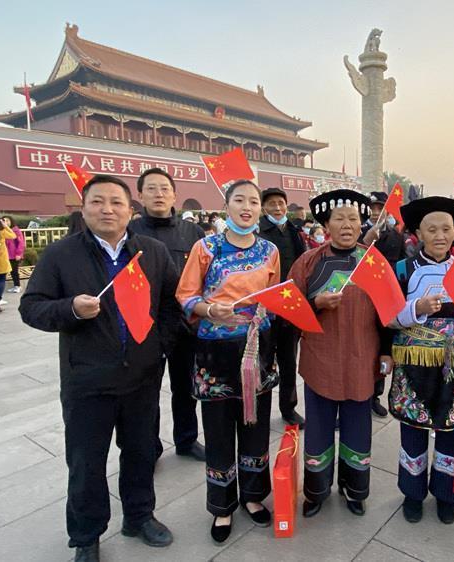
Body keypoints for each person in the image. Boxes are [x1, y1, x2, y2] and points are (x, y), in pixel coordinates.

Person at [19, 174, 181, 562]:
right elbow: (31, 307)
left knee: (141, 452)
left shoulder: (152, 252)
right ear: (84, 207)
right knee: (87, 462)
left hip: (141, 377)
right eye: (97, 201)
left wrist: (158, 346)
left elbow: (172, 307)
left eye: (116, 202)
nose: (107, 209)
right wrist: (70, 308)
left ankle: (140, 517)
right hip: (87, 380)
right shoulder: (61, 255)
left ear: (131, 209)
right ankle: (86, 536)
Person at [175, 179, 279, 544]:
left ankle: (252, 496)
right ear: (227, 205)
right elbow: (186, 295)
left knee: (256, 424)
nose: (247, 206)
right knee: (219, 430)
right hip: (215, 351)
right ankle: (222, 505)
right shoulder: (206, 248)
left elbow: (273, 294)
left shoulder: (269, 249)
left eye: (254, 200)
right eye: (240, 199)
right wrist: (209, 309)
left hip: (256, 347)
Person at [288, 189, 393, 519]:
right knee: (318, 429)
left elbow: (389, 312)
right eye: (339, 219)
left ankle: (355, 490)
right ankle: (316, 492)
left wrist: (388, 352)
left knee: (358, 428)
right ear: (326, 224)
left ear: (362, 223)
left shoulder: (373, 261)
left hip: (362, 359)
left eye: (353, 219)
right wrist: (315, 305)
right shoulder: (308, 262)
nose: (348, 225)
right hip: (321, 359)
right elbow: (290, 311)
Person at [389, 196, 454, 525]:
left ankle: (446, 494)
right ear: (418, 234)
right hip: (414, 364)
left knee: (451, 429)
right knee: (413, 428)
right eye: (432, 229)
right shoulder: (403, 269)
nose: (440, 235)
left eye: (446, 229)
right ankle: (412, 494)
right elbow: (388, 317)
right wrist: (417, 310)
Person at [130, 168, 206, 462]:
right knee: (146, 391)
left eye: (164, 188)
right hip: (146, 326)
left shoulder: (192, 232)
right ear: (140, 196)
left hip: (186, 325)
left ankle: (187, 439)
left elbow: (205, 274)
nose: (159, 194)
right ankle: (150, 446)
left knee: (185, 387)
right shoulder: (131, 232)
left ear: (174, 194)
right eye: (151, 189)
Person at [257, 187, 306, 428]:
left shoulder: (295, 231)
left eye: (281, 203)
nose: (278, 208)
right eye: (272, 204)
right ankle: (259, 408)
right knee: (263, 361)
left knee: (289, 361)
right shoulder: (257, 231)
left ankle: (289, 408)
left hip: (290, 306)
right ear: (264, 207)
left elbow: (303, 262)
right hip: (265, 306)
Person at [360, 191, 406, 417]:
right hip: (362, 294)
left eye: (380, 208)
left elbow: (401, 264)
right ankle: (359, 394)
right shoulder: (359, 231)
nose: (377, 212)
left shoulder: (397, 236)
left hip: (386, 293)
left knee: (382, 344)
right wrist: (366, 239)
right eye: (373, 208)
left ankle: (375, 395)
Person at [2, 215, 26, 293]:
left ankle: (17, 286)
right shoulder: (3, 230)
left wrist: (18, 253)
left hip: (14, 255)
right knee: (9, 271)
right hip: (6, 254)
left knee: (14, 271)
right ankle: (15, 285)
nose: (6, 222)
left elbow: (21, 243)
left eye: (7, 220)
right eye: (4, 220)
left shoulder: (15, 230)